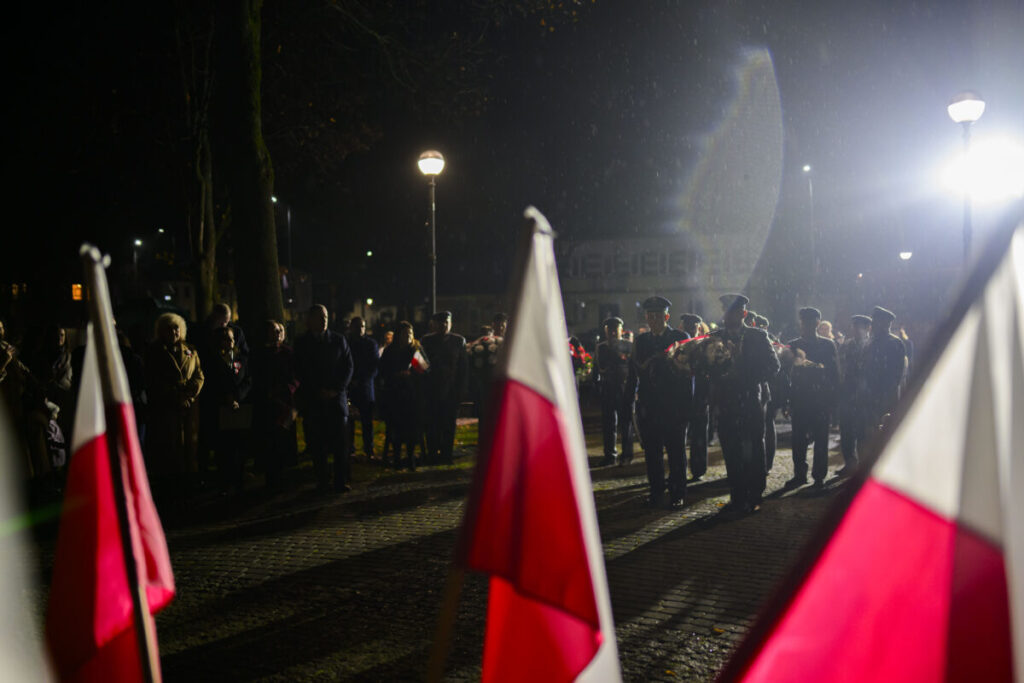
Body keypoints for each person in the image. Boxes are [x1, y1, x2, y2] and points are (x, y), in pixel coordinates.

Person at [709, 294, 779, 516]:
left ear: (743, 313)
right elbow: (706, 370)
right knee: (731, 450)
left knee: (754, 450)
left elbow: (773, 366)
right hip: (726, 402)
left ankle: (755, 495)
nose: (728, 314)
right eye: (725, 310)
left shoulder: (757, 336)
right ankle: (737, 495)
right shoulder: (715, 337)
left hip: (750, 400)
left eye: (732, 310)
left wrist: (743, 368)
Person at [631, 296, 690, 508]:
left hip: (674, 406)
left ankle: (677, 493)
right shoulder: (641, 341)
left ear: (666, 316)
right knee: (653, 454)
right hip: (650, 407)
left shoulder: (680, 337)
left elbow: (688, 375)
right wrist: (634, 405)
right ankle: (656, 492)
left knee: (675, 452)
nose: (653, 320)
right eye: (650, 316)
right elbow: (634, 374)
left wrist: (687, 407)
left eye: (658, 316)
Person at [145, 312, 204, 505]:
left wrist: (189, 396)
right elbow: (153, 380)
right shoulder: (154, 352)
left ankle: (190, 484)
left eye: (176, 327)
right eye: (169, 328)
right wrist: (176, 397)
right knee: (170, 446)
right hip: (167, 408)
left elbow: (198, 375)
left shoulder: (191, 350)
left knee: (189, 445)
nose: (174, 331)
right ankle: (171, 487)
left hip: (189, 407)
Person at [294, 304, 354, 493]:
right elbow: (300, 370)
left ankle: (339, 480)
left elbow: (348, 367)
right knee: (318, 444)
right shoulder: (302, 344)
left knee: (340, 445)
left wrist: (336, 389)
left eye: (326, 316)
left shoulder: (338, 340)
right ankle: (322, 481)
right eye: (319, 317)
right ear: (310, 320)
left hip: (336, 401)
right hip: (314, 401)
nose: (324, 320)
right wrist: (316, 390)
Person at [786, 307, 840, 488]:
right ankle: (799, 474)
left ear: (816, 323)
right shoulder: (793, 344)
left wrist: (832, 401)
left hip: (820, 399)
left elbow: (833, 374)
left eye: (809, 322)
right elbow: (787, 375)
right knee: (798, 441)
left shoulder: (827, 344)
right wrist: (788, 400)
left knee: (821, 440)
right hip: (800, 398)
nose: (805, 326)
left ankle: (819, 476)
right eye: (803, 322)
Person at [250, 320, 298, 494]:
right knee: (269, 442)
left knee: (284, 441)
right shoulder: (258, 354)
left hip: (285, 403)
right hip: (267, 403)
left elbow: (295, 376)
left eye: (279, 330)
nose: (277, 333)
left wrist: (287, 390)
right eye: (273, 331)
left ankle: (284, 477)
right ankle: (271, 478)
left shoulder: (288, 353)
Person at [419, 311, 467, 465]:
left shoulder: (459, 341)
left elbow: (463, 369)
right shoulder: (426, 341)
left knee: (448, 425)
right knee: (431, 424)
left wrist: (461, 391)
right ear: (434, 324)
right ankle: (432, 453)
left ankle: (446, 454)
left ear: (451, 323)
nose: (444, 325)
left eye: (447, 322)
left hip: (451, 390)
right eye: (441, 322)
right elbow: (418, 365)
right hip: (431, 390)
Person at [379, 321, 427, 469]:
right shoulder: (390, 351)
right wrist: (395, 375)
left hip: (412, 395)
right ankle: (397, 457)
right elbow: (382, 371)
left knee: (412, 427)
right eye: (405, 334)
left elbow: (424, 369)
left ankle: (411, 456)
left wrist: (411, 374)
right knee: (396, 428)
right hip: (395, 395)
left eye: (410, 334)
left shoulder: (416, 349)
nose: (408, 336)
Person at [595, 317, 636, 466]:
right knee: (608, 424)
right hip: (608, 387)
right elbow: (601, 367)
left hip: (624, 387)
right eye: (609, 329)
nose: (612, 332)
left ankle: (627, 454)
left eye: (615, 329)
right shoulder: (602, 347)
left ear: (621, 330)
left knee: (626, 423)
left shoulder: (629, 346)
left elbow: (632, 367)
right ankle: (610, 454)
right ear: (605, 331)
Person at [838, 314, 872, 476]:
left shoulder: (871, 346)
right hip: (847, 393)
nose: (856, 330)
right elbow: (841, 367)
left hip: (864, 395)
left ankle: (862, 467)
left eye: (859, 327)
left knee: (862, 433)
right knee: (846, 432)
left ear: (867, 328)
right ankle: (850, 463)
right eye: (854, 327)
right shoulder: (847, 345)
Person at [864, 306, 907, 432]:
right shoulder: (871, 341)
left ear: (886, 324)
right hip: (870, 394)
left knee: (884, 430)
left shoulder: (895, 343)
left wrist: (884, 394)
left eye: (876, 322)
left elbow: (896, 375)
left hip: (885, 395)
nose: (873, 326)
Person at [680, 313, 709, 479]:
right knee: (679, 436)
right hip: (681, 394)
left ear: (698, 328)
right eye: (687, 327)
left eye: (693, 327)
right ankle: (681, 468)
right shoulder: (680, 346)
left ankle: (698, 468)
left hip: (700, 394)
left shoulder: (705, 345)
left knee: (699, 434)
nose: (691, 330)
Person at [347, 317, 380, 459]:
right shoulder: (347, 342)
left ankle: (369, 448)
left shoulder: (371, 344)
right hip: (352, 386)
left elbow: (374, 366)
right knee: (349, 421)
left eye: (363, 326)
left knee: (367, 421)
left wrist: (359, 380)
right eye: (358, 326)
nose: (361, 329)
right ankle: (350, 448)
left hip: (365, 387)